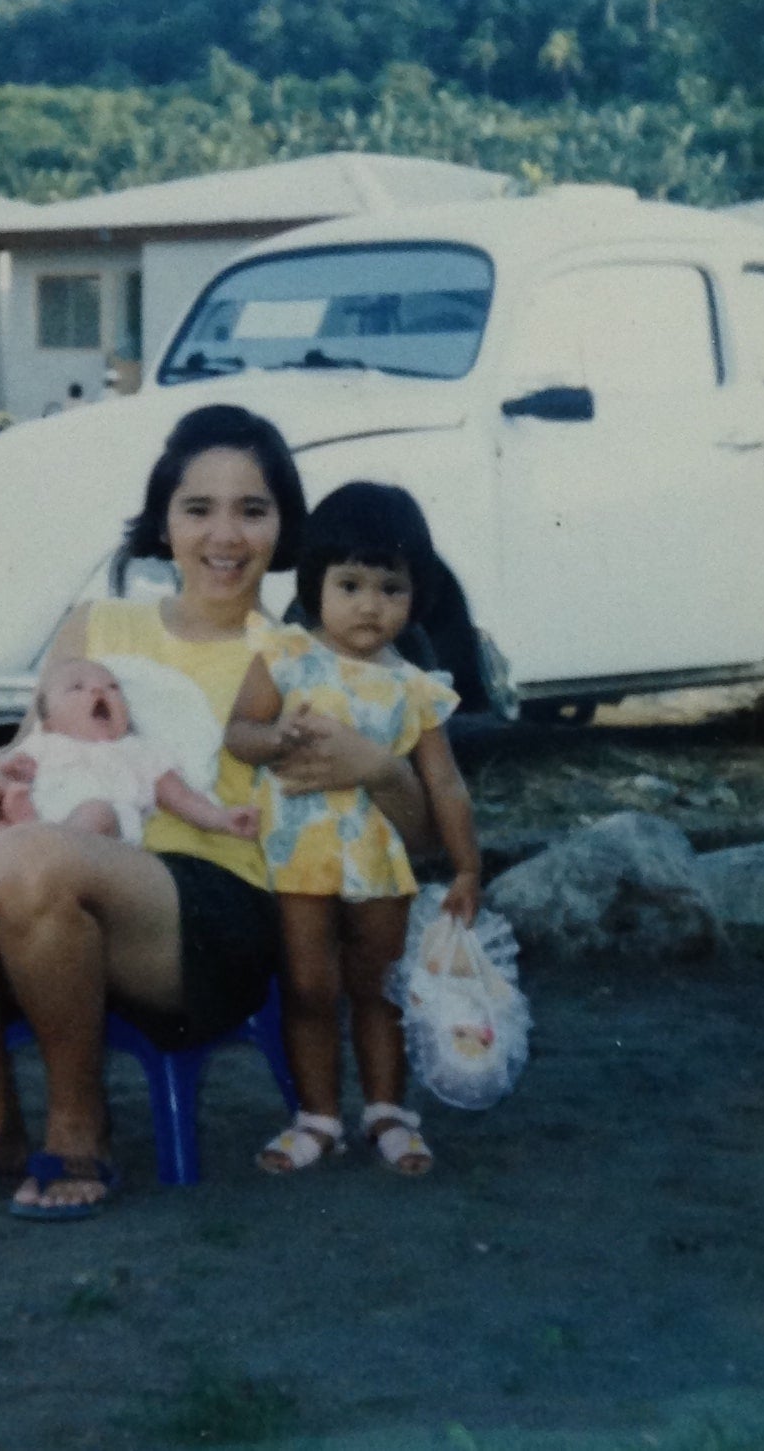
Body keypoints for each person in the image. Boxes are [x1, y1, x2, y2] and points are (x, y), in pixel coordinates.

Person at [0, 404, 438, 1220]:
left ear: (285, 525)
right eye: (198, 506)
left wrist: (380, 766)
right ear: (163, 519)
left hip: (212, 912)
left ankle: (79, 1126)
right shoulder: (97, 624)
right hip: (58, 872)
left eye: (253, 508)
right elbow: (27, 748)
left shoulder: (307, 656)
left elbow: (416, 833)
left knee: (35, 858)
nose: (225, 535)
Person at [225, 481, 483, 1178]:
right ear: (316, 585)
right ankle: (316, 1117)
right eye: (351, 583)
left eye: (391, 587)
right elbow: (239, 732)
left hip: (378, 863)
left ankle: (387, 1111)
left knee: (380, 987)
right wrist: (273, 735)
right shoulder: (283, 656)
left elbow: (445, 784)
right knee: (308, 987)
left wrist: (465, 866)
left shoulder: (415, 687)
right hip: (297, 857)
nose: (370, 604)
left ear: (416, 594)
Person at [0, 656, 259, 845]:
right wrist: (18, 771)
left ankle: (44, 846)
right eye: (76, 687)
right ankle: (29, 833)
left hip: (110, 830)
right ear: (48, 721)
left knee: (95, 813)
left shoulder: (139, 751)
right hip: (45, 816)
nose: (98, 689)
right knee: (15, 799)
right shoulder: (44, 743)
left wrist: (221, 818)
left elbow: (182, 797)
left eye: (113, 687)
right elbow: (9, 769)